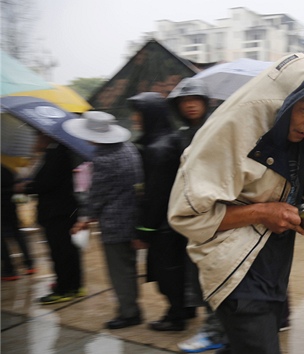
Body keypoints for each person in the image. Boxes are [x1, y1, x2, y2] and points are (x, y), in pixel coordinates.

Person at [167, 53, 304, 354]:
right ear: (285, 101)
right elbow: (184, 216)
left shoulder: (294, 130)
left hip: (273, 263)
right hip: (235, 267)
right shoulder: (237, 126)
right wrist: (262, 211)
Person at [63, 111, 144, 330]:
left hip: (115, 223)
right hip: (133, 218)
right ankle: (131, 307)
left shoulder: (104, 158)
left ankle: (129, 313)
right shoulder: (128, 148)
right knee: (128, 267)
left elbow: (97, 195)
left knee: (119, 271)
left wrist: (84, 219)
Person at [167, 78, 227, 352]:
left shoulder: (219, 129)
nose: (190, 105)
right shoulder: (180, 135)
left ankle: (216, 332)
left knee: (214, 275)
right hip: (193, 214)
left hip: (218, 213)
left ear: (206, 102)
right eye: (185, 101)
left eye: (196, 100)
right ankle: (217, 329)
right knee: (201, 275)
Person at [127, 92, 192, 331]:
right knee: (178, 269)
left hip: (163, 225)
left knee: (167, 274)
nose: (135, 118)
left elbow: (155, 194)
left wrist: (143, 230)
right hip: (176, 221)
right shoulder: (172, 139)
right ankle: (183, 309)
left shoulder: (157, 148)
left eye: (139, 113)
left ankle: (176, 317)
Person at [13, 133, 82, 303]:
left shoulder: (55, 154)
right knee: (68, 250)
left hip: (56, 212)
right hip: (64, 210)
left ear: (46, 137)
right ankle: (74, 285)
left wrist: (26, 187)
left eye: (37, 137)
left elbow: (45, 183)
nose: (35, 140)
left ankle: (64, 288)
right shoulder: (61, 152)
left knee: (60, 251)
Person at [1, 164, 35, 281]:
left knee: (2, 240)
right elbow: (17, 185)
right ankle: (29, 264)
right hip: (11, 206)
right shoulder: (6, 168)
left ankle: (9, 270)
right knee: (17, 233)